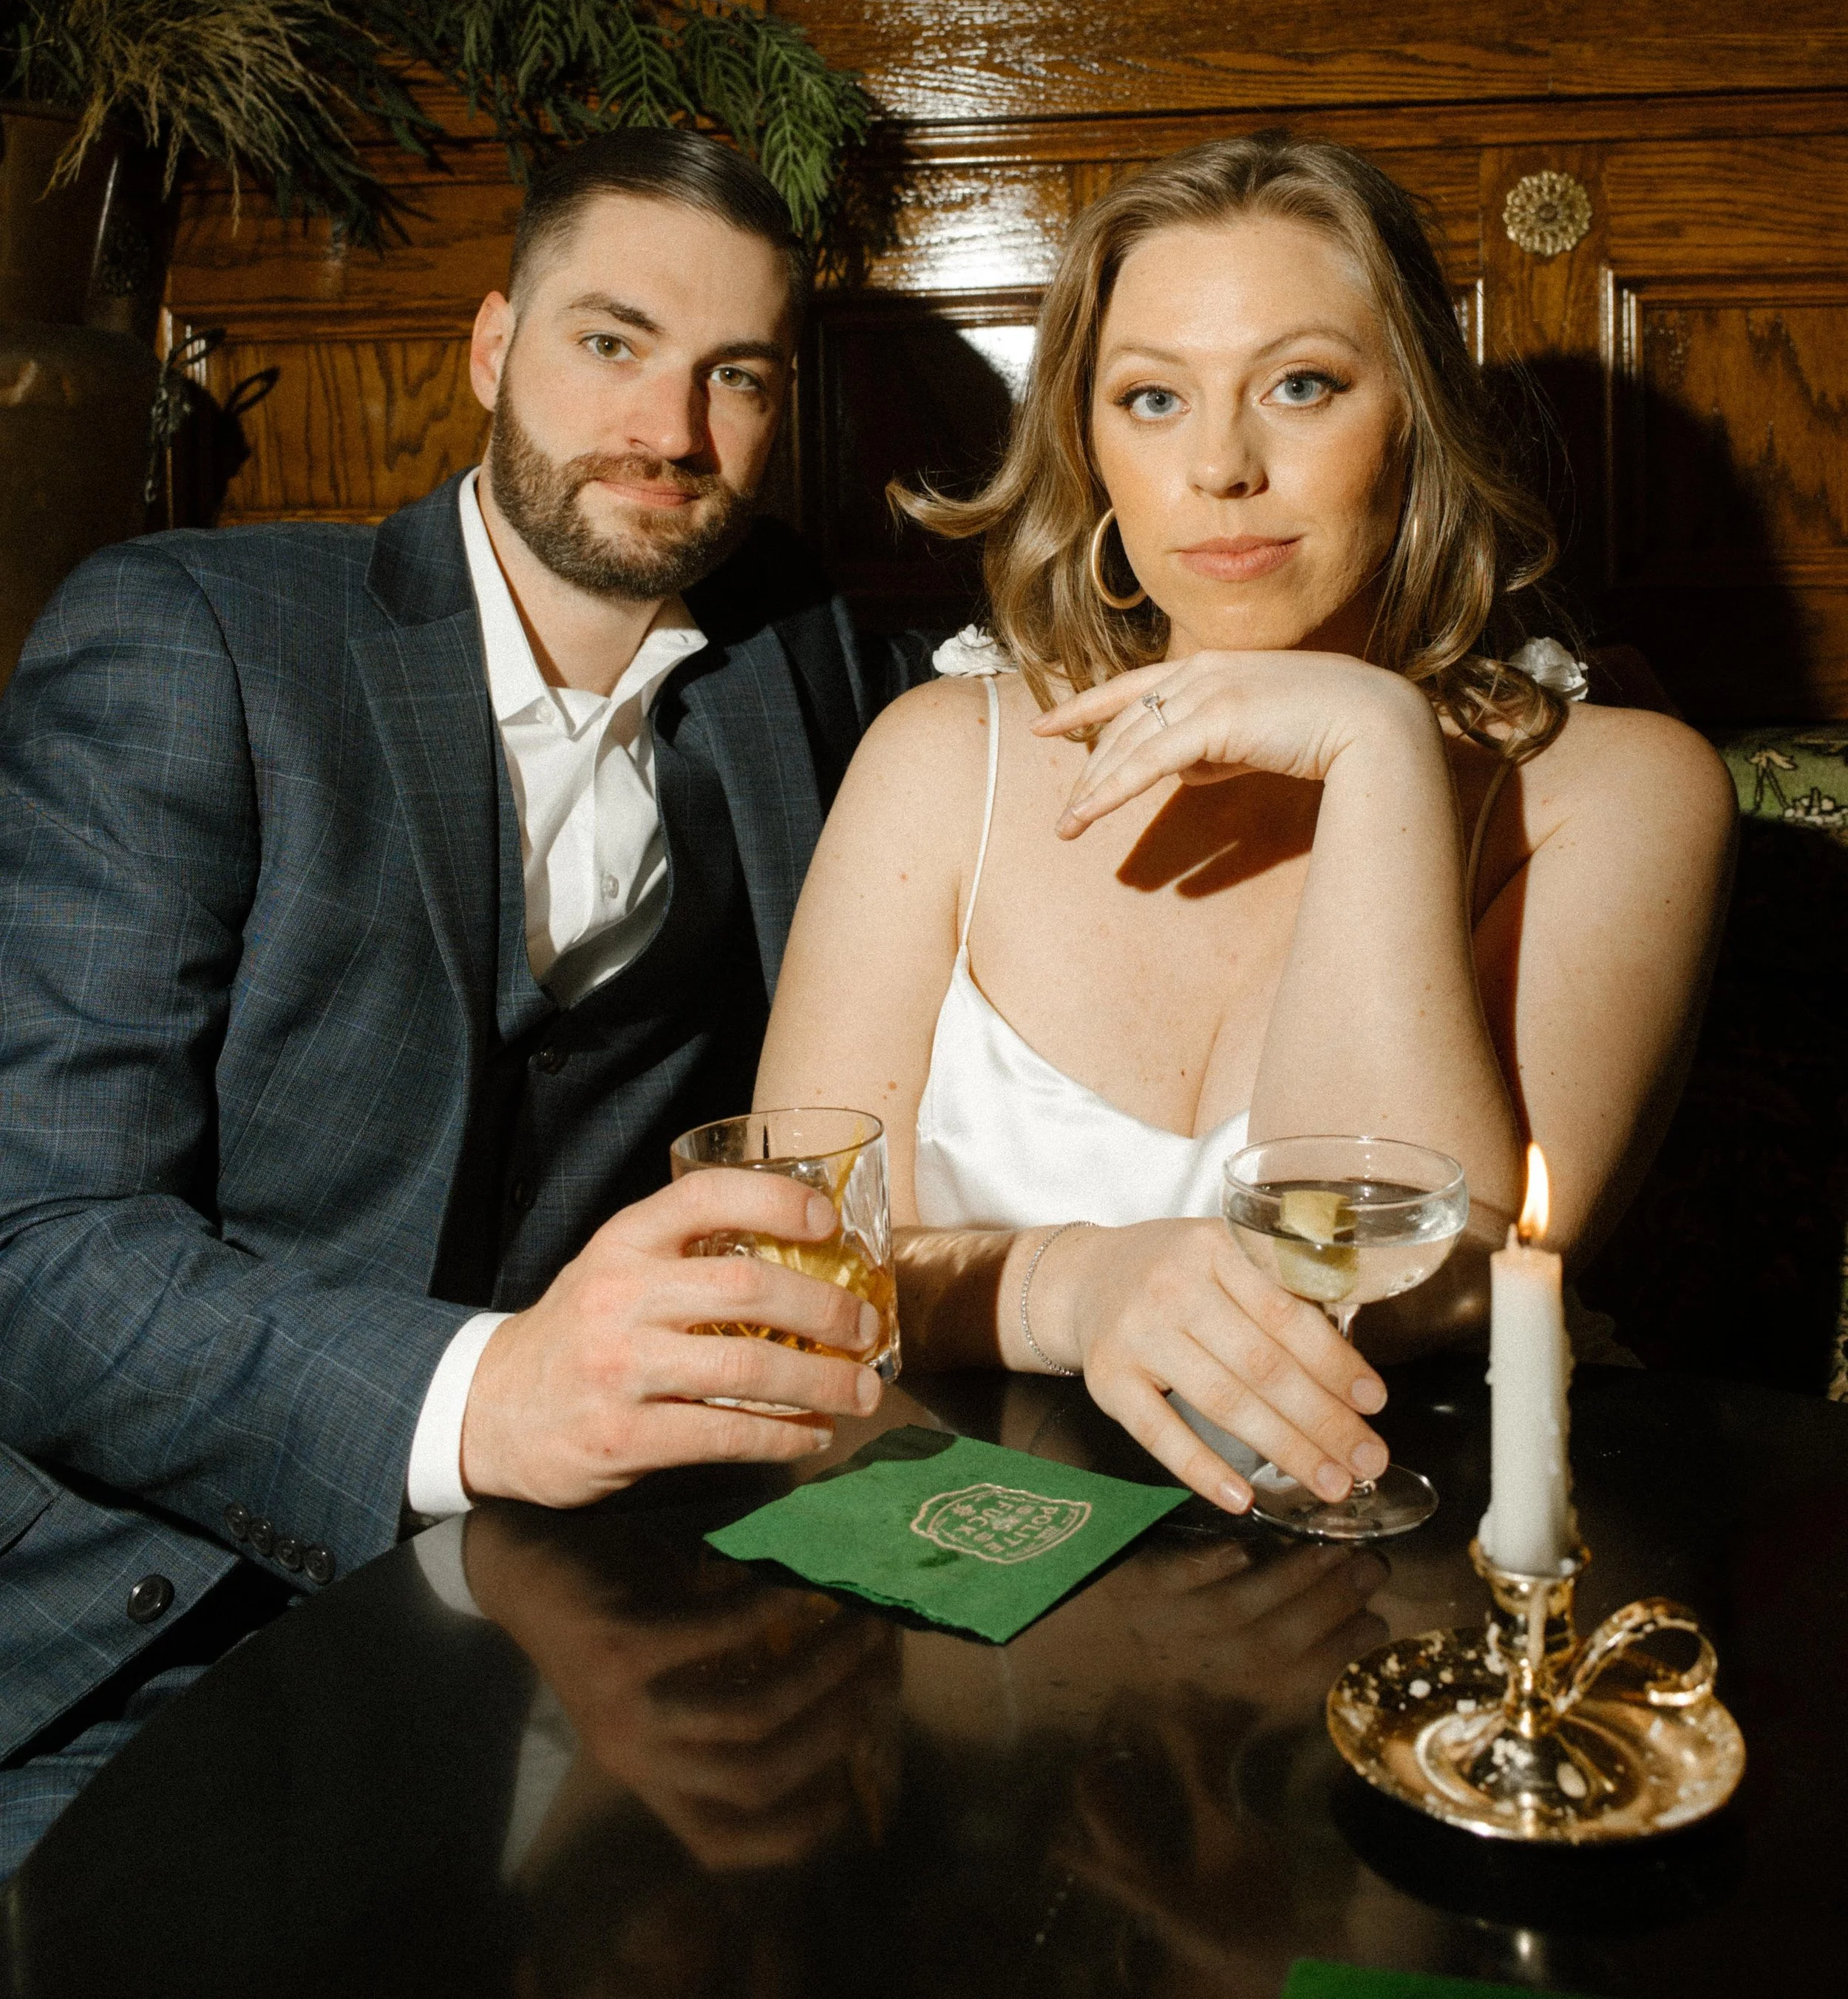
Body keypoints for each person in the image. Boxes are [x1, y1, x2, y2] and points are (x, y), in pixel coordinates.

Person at [0, 129, 921, 1871]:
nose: (668, 429)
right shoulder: (195, 637)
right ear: (492, 347)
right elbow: (35, 1246)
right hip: (117, 1639)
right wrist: (486, 1397)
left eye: (734, 375)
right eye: (609, 342)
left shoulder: (804, 664)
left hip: (558, 1635)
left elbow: (1087, 676)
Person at [755, 135, 1736, 1514]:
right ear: (1092, 454)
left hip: (1421, 1564)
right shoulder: (940, 759)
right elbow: (797, 1258)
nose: (1220, 465)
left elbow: (1425, 1282)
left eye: (1301, 386)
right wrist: (1073, 1284)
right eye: (1152, 397)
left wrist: (1377, 746)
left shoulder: (1627, 791)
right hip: (964, 1562)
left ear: (1417, 420)